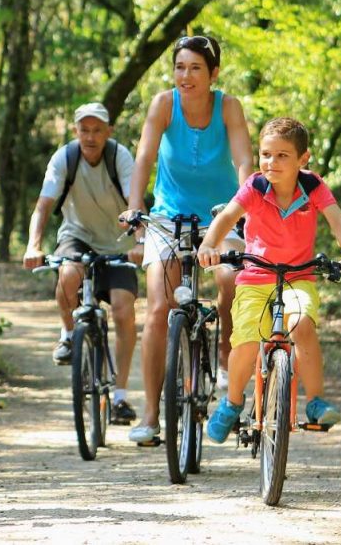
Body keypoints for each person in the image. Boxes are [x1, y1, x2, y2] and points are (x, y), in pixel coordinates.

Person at [119, 35, 254, 443]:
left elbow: (244, 159)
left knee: (231, 282)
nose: (186, 76)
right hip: (168, 215)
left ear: (213, 74)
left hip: (221, 214)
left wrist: (247, 203)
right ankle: (150, 413)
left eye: (196, 68)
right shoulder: (163, 104)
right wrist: (133, 206)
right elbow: (144, 157)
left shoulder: (228, 107)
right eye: (180, 67)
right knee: (159, 308)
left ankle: (229, 362)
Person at [198, 117, 341, 442]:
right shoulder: (256, 187)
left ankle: (315, 401)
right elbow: (227, 217)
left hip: (298, 277)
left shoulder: (313, 186)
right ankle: (232, 402)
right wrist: (208, 245)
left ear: (303, 159)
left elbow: (338, 220)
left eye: (282, 155)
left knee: (302, 324)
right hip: (255, 276)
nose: (271, 162)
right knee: (246, 343)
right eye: (266, 154)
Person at [23, 102, 142, 424]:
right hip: (77, 235)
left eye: (97, 130)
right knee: (67, 274)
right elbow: (44, 204)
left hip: (119, 243)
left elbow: (135, 204)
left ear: (108, 132)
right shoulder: (65, 157)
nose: (90, 137)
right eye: (84, 129)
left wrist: (141, 242)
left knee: (123, 310)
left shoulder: (120, 158)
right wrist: (34, 244)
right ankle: (68, 334)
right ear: (76, 131)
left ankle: (119, 397)